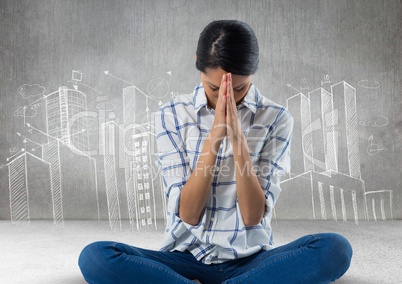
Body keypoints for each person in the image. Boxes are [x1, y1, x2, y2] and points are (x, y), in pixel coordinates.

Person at [78, 20, 352, 284]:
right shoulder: (172, 114)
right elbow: (188, 214)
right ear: (198, 63)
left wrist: (237, 138)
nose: (227, 98)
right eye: (214, 87)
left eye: (239, 88)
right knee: (96, 257)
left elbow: (252, 216)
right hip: (184, 259)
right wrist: (215, 136)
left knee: (334, 249)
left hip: (251, 261)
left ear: (252, 73)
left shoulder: (277, 118)